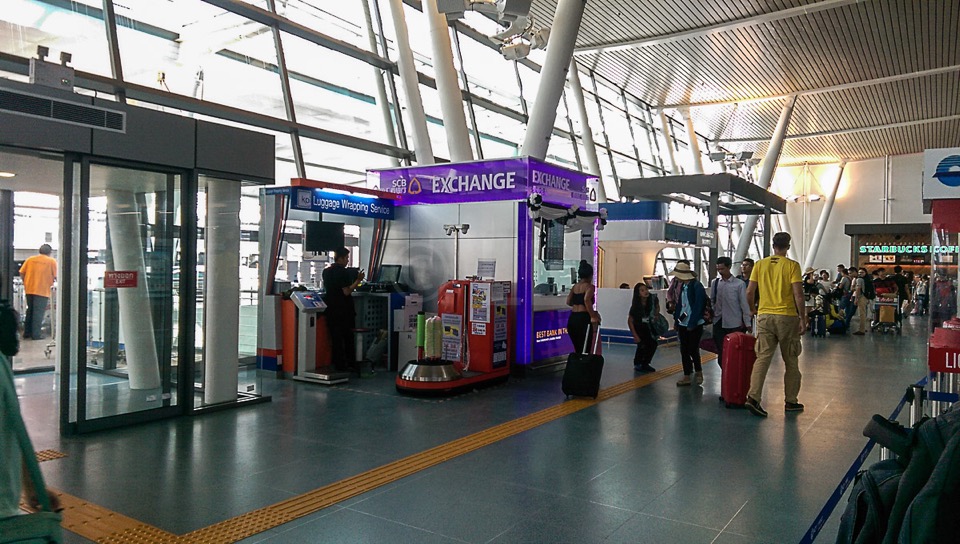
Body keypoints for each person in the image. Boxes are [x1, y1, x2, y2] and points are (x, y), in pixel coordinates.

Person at [745, 232, 806, 417]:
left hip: (764, 316)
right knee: (791, 361)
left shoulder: (760, 264)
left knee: (762, 358)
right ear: (788, 245)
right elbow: (798, 295)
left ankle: (753, 398)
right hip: (787, 317)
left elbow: (749, 292)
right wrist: (802, 317)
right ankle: (790, 401)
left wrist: (752, 310)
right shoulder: (792, 266)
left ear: (773, 245)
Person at [321, 247, 364, 374]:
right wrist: (358, 280)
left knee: (335, 339)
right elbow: (346, 291)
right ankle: (350, 364)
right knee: (348, 338)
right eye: (347, 258)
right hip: (344, 311)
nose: (347, 260)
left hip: (331, 309)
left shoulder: (326, 271)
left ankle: (338, 364)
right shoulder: (343, 273)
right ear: (341, 258)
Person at [669, 262, 708, 386]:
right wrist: (677, 321)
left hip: (695, 323)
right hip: (683, 323)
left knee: (693, 349)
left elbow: (698, 306)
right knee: (684, 350)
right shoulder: (683, 287)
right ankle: (687, 374)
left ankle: (698, 371)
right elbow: (680, 306)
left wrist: (692, 322)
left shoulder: (697, 286)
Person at [710, 256, 752, 366]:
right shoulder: (715, 283)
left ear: (729, 267)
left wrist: (747, 323)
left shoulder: (739, 284)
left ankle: (733, 372)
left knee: (734, 350)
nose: (720, 272)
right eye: (718, 269)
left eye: (722, 269)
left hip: (733, 322)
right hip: (718, 321)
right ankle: (725, 373)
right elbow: (712, 300)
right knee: (720, 350)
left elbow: (744, 304)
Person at [18, 244, 57, 340]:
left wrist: (25, 282)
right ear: (49, 252)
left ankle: (27, 333)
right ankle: (36, 335)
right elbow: (56, 275)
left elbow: (21, 272)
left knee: (30, 311)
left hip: (29, 289)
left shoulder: (30, 259)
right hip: (42, 290)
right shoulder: (51, 261)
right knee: (38, 313)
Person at [566, 260, 601, 355]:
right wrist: (593, 315)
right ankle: (584, 366)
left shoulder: (575, 287)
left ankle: (577, 365)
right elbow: (586, 300)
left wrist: (577, 303)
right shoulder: (590, 287)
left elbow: (568, 302)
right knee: (585, 346)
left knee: (577, 347)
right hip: (583, 318)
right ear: (591, 275)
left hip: (572, 318)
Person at [627, 282, 659, 373]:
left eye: (646, 289)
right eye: (642, 290)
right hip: (639, 327)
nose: (645, 292)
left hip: (648, 326)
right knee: (642, 345)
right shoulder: (635, 306)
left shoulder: (651, 301)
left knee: (652, 344)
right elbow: (630, 320)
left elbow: (657, 306)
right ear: (638, 293)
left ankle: (645, 363)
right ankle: (638, 363)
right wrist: (634, 335)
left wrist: (656, 314)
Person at [852, 267, 871, 335]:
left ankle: (861, 329)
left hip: (861, 297)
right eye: (859, 272)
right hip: (866, 297)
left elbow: (858, 289)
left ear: (865, 273)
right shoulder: (867, 279)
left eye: (862, 272)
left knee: (861, 313)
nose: (860, 274)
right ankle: (863, 328)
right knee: (863, 313)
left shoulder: (859, 279)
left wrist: (856, 299)